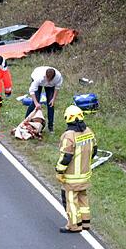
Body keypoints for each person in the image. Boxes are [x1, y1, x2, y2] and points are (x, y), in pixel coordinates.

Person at [56, 105, 97, 233]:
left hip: (72, 177)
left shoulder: (69, 136)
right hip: (85, 174)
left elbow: (66, 157)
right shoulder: (88, 132)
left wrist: (59, 171)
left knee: (71, 201)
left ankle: (74, 225)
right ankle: (85, 223)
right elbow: (94, 150)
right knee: (83, 198)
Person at [26, 66, 63, 132]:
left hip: (50, 86)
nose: (47, 81)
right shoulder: (38, 77)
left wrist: (53, 99)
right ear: (45, 75)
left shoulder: (58, 77)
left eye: (49, 80)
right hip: (38, 80)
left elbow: (57, 88)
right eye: (46, 78)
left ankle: (50, 127)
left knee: (51, 104)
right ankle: (26, 121)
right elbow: (32, 91)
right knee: (35, 102)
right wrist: (36, 103)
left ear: (53, 78)